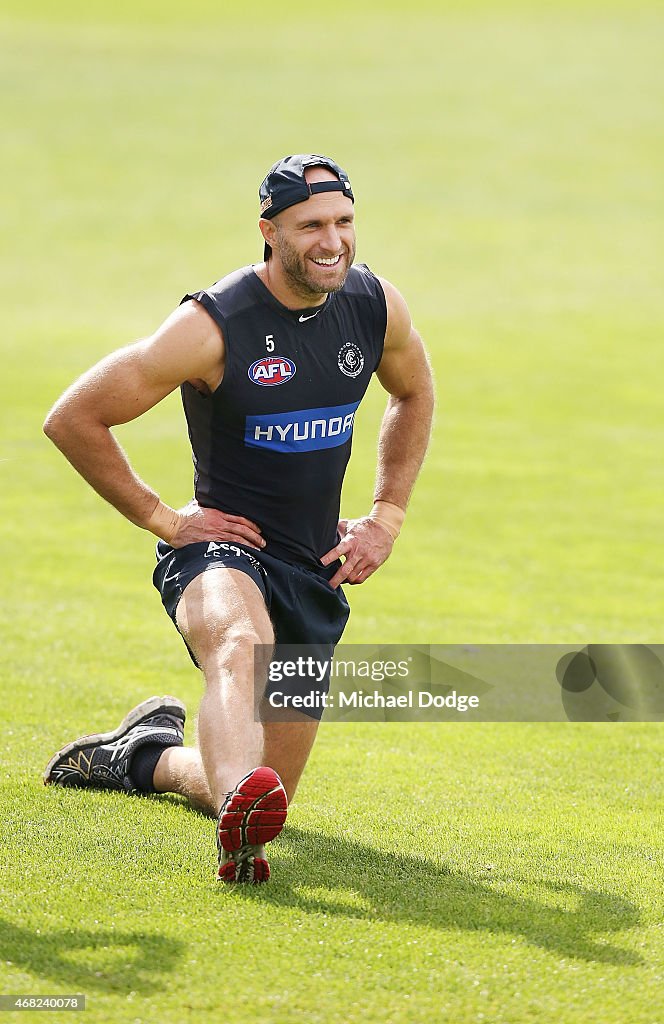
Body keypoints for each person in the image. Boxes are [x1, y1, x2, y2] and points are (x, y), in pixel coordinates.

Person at [43, 154, 434, 883]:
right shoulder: (211, 325)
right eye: (311, 225)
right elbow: (75, 417)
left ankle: (145, 756)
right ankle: (236, 841)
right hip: (222, 555)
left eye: (344, 222)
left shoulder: (375, 305)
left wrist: (386, 515)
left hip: (313, 567)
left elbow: (414, 392)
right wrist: (165, 520)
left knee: (265, 789)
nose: (333, 241)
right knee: (239, 641)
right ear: (269, 231)